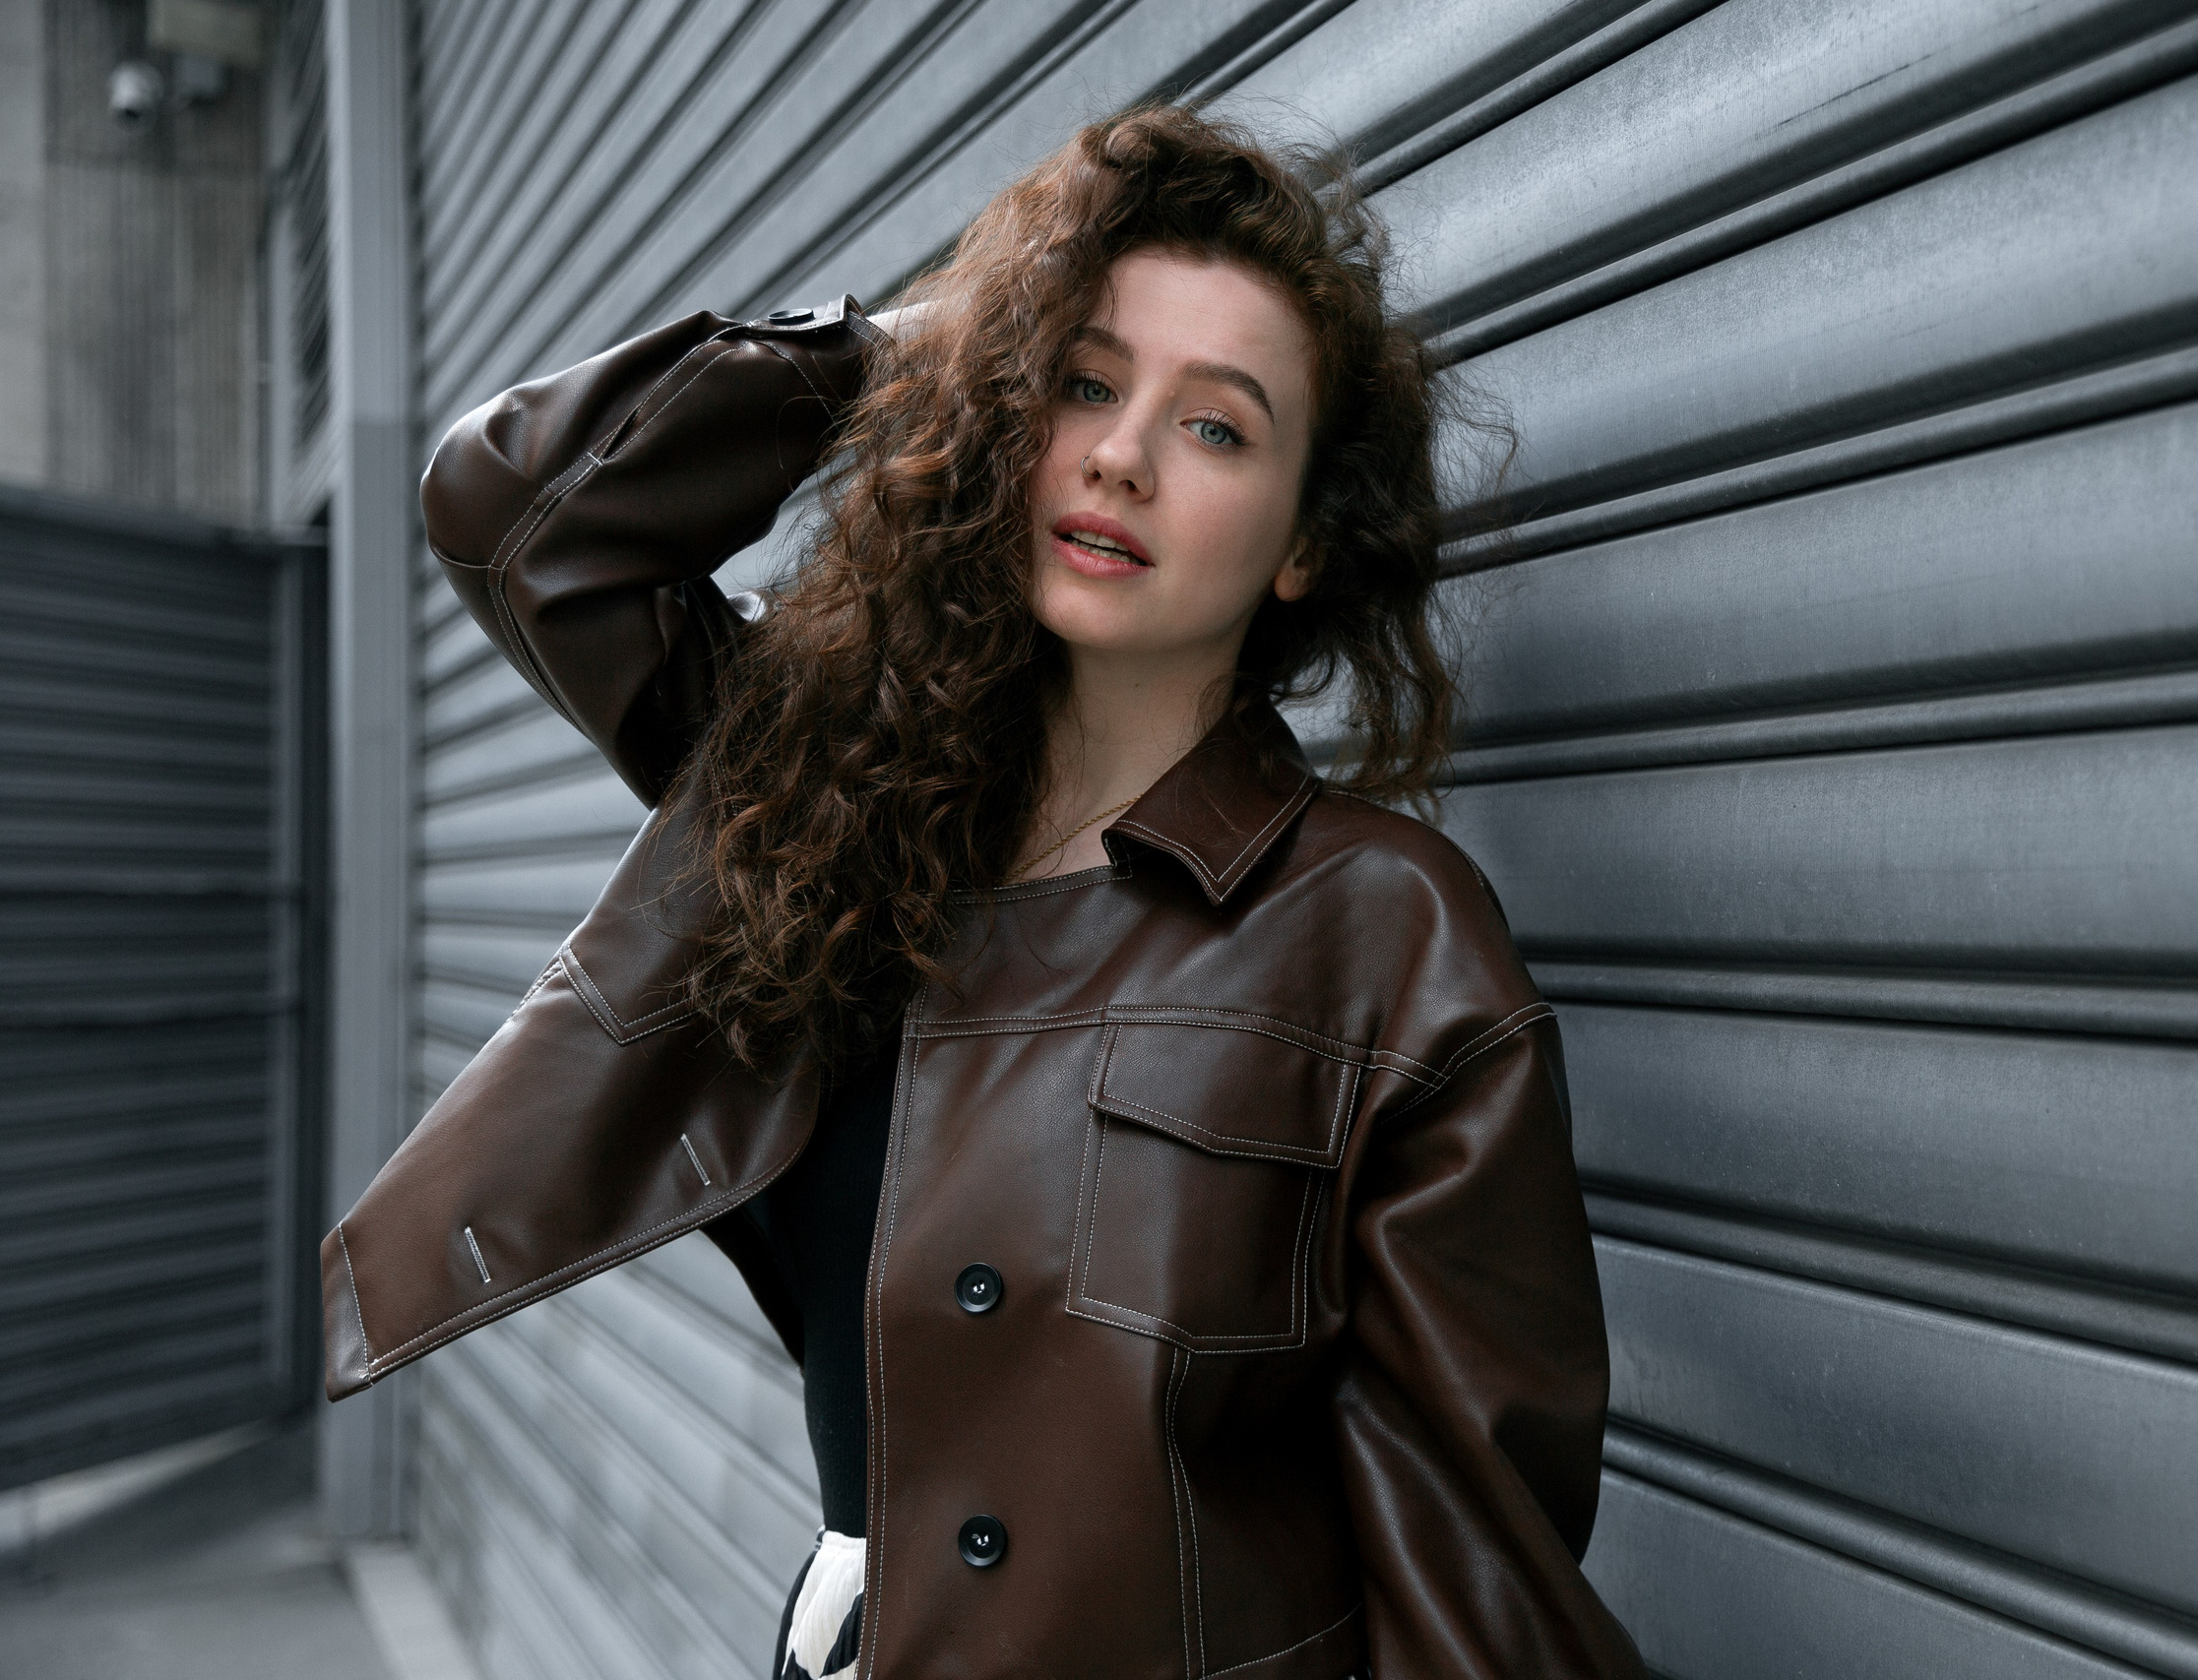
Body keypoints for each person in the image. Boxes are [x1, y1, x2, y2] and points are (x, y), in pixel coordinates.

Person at [321, 104, 1643, 1680]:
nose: (1120, 456)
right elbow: (522, 518)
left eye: (1216, 427)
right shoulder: (826, 810)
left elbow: (1473, 1566)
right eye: (1083, 382)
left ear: (1302, 545)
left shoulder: (1384, 931)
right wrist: (926, 345)